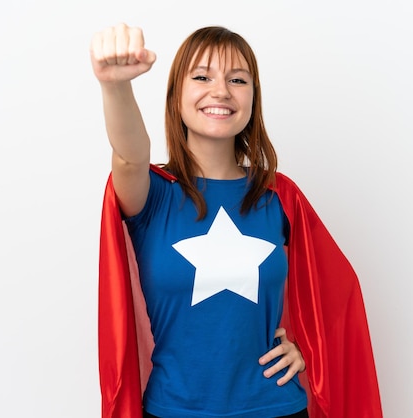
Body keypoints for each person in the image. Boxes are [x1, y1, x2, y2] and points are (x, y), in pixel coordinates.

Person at [90, 23, 382, 418]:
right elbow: (129, 155)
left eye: (237, 79)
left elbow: (338, 299)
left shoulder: (280, 196)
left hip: (276, 406)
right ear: (177, 95)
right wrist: (115, 87)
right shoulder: (152, 193)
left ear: (253, 98)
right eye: (202, 76)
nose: (221, 90)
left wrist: (309, 349)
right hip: (174, 409)